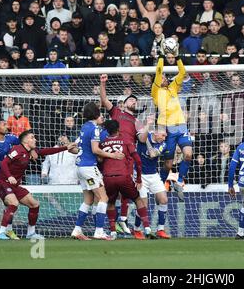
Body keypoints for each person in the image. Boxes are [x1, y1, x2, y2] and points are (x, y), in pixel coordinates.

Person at [0, 130, 75, 240]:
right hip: (3, 183)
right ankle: (1, 233)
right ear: (26, 140)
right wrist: (9, 176)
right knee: (14, 203)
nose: (35, 139)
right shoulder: (17, 150)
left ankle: (31, 233)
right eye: (32, 137)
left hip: (15, 186)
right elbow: (4, 163)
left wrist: (66, 148)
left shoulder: (30, 151)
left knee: (34, 204)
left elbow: (47, 151)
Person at [70, 102, 124, 241]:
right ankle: (99, 231)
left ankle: (77, 230)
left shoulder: (84, 127)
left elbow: (77, 149)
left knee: (88, 199)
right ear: (96, 113)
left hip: (80, 167)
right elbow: (95, 150)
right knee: (103, 198)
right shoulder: (94, 128)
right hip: (89, 167)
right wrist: (113, 155)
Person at [100, 120, 155, 240]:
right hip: (123, 176)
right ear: (118, 129)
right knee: (138, 199)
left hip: (108, 177)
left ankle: (113, 231)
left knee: (111, 203)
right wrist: (139, 178)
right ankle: (147, 228)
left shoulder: (102, 144)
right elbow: (138, 160)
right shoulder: (126, 141)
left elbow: (99, 161)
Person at [152, 42, 192, 202]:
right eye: (161, 77)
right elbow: (159, 70)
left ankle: (180, 182)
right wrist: (162, 56)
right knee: (168, 164)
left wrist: (176, 56)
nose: (163, 78)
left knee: (188, 154)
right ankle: (161, 186)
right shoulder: (156, 91)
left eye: (164, 77)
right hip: (167, 129)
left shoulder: (173, 88)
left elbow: (182, 72)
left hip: (181, 127)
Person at [133, 126, 171, 239]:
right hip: (140, 175)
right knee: (143, 204)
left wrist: (148, 142)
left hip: (153, 175)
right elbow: (140, 137)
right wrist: (146, 127)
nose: (164, 138)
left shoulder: (163, 144)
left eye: (165, 136)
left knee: (163, 199)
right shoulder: (144, 136)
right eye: (163, 135)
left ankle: (160, 229)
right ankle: (136, 229)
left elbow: (152, 154)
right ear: (155, 132)